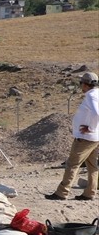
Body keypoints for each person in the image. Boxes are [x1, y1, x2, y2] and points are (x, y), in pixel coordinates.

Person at [46, 70, 98, 201]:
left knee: (72, 165)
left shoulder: (91, 96)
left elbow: (97, 113)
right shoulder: (97, 94)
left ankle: (61, 193)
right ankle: (90, 193)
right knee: (92, 167)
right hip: (95, 138)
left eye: (81, 83)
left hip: (85, 138)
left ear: (85, 84)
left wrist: (90, 128)